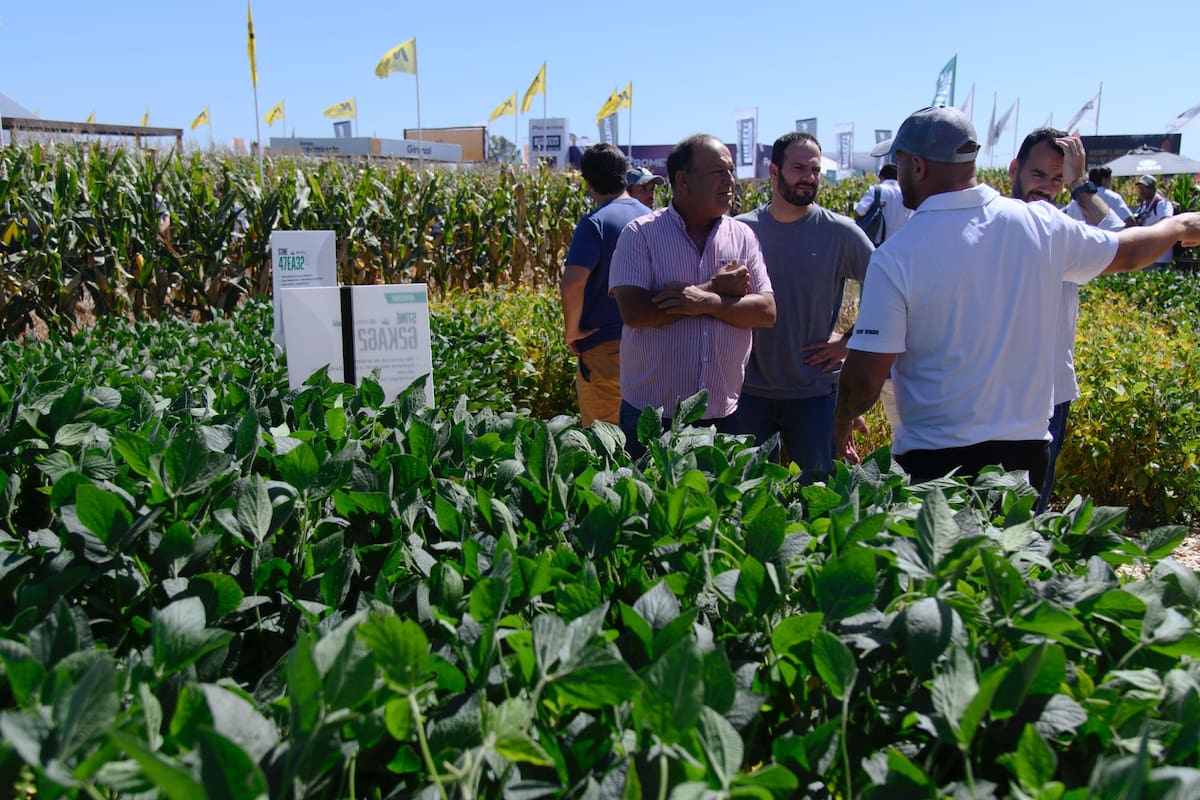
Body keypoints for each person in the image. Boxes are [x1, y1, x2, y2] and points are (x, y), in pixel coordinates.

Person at [834, 105, 1200, 492]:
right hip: (1025, 458)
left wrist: (842, 420)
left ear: (918, 166)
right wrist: (1178, 225)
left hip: (935, 461)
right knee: (1018, 535)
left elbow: (864, 380)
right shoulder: (1041, 224)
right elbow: (1129, 252)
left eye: (900, 162)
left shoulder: (897, 255)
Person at [610, 134, 776, 456]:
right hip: (653, 417)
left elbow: (766, 311)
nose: (729, 180)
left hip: (723, 414)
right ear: (683, 181)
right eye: (718, 171)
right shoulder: (640, 234)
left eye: (730, 171)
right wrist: (712, 288)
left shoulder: (742, 236)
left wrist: (707, 301)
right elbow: (634, 312)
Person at [732, 132, 873, 480]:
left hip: (814, 394)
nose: (809, 177)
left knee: (817, 494)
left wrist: (850, 340)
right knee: (749, 494)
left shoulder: (841, 233)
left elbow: (890, 291)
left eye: (815, 169)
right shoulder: (740, 231)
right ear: (774, 172)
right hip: (747, 392)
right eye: (799, 168)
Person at [1009, 128, 1123, 512]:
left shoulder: (1066, 225)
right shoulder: (989, 221)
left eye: (1057, 179)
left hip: (1050, 391)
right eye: (1038, 175)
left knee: (1031, 507)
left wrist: (1079, 185)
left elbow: (1119, 237)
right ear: (1014, 170)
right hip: (993, 388)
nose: (1046, 187)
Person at [560, 144, 652, 425]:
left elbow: (573, 283)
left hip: (607, 348)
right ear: (624, 174)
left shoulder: (595, 223)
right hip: (652, 346)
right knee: (646, 438)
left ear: (588, 182)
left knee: (605, 440)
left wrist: (572, 332)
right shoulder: (652, 218)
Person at [853, 163, 911, 245]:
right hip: (899, 243)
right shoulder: (906, 194)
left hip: (876, 243)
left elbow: (860, 211)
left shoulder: (876, 190)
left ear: (881, 177)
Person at [1133, 175, 1176, 266]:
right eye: (1140, 188)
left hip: (1160, 257)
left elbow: (1166, 225)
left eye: (1145, 188)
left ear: (1153, 189)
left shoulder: (1163, 204)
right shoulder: (1143, 206)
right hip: (1145, 257)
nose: (1141, 191)